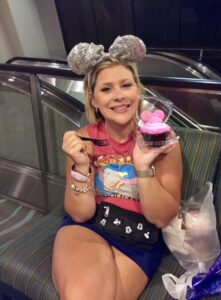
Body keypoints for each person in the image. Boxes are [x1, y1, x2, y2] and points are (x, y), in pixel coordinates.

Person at [52, 35, 183, 300]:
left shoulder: (162, 142)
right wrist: (80, 165)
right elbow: (80, 213)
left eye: (126, 85)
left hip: (140, 238)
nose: (119, 96)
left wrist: (144, 167)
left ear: (138, 90)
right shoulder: (83, 140)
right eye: (107, 89)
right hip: (91, 226)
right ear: (93, 99)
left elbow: (161, 218)